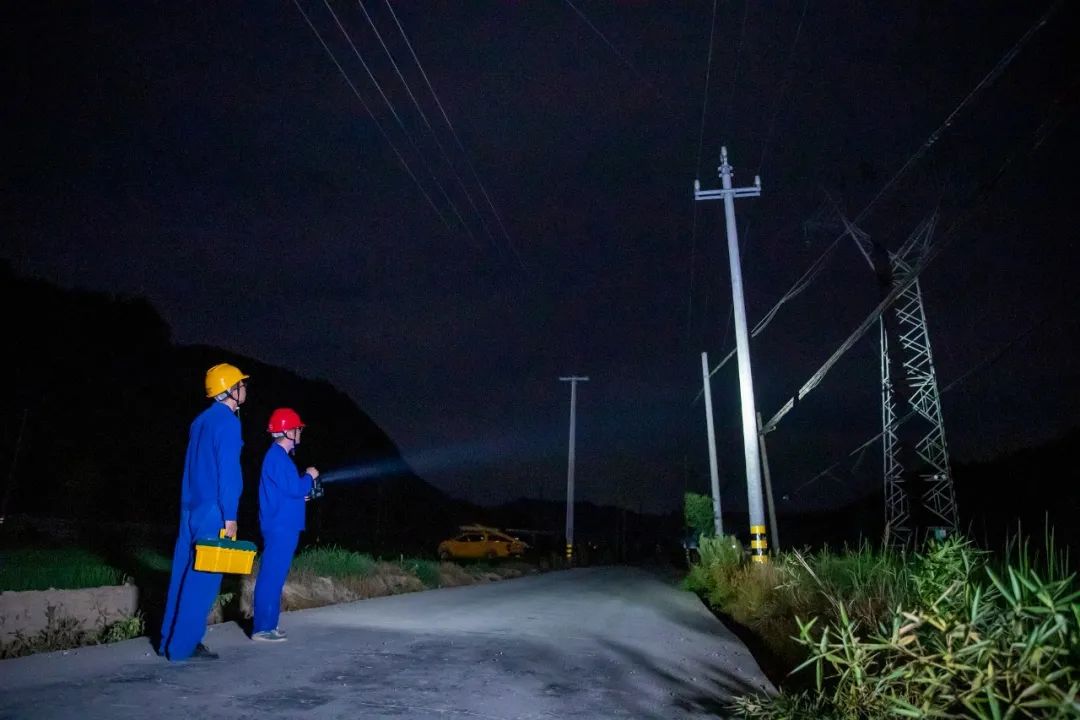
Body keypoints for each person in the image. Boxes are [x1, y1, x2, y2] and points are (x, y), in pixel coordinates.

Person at [159, 363, 248, 661]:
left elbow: (192, 468)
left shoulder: (199, 421)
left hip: (190, 508)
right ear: (230, 390)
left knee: (182, 573)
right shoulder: (229, 423)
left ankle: (168, 640)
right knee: (203, 579)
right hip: (213, 510)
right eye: (241, 384)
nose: (245, 388)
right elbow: (228, 472)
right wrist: (230, 516)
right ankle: (182, 647)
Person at [251, 407, 320, 642]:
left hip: (282, 524)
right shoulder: (278, 458)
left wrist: (301, 497)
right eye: (298, 429)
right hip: (281, 526)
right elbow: (296, 487)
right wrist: (310, 476)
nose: (300, 432)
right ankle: (262, 628)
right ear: (288, 431)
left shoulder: (278, 458)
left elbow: (286, 492)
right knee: (272, 576)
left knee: (276, 576)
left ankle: (269, 625)